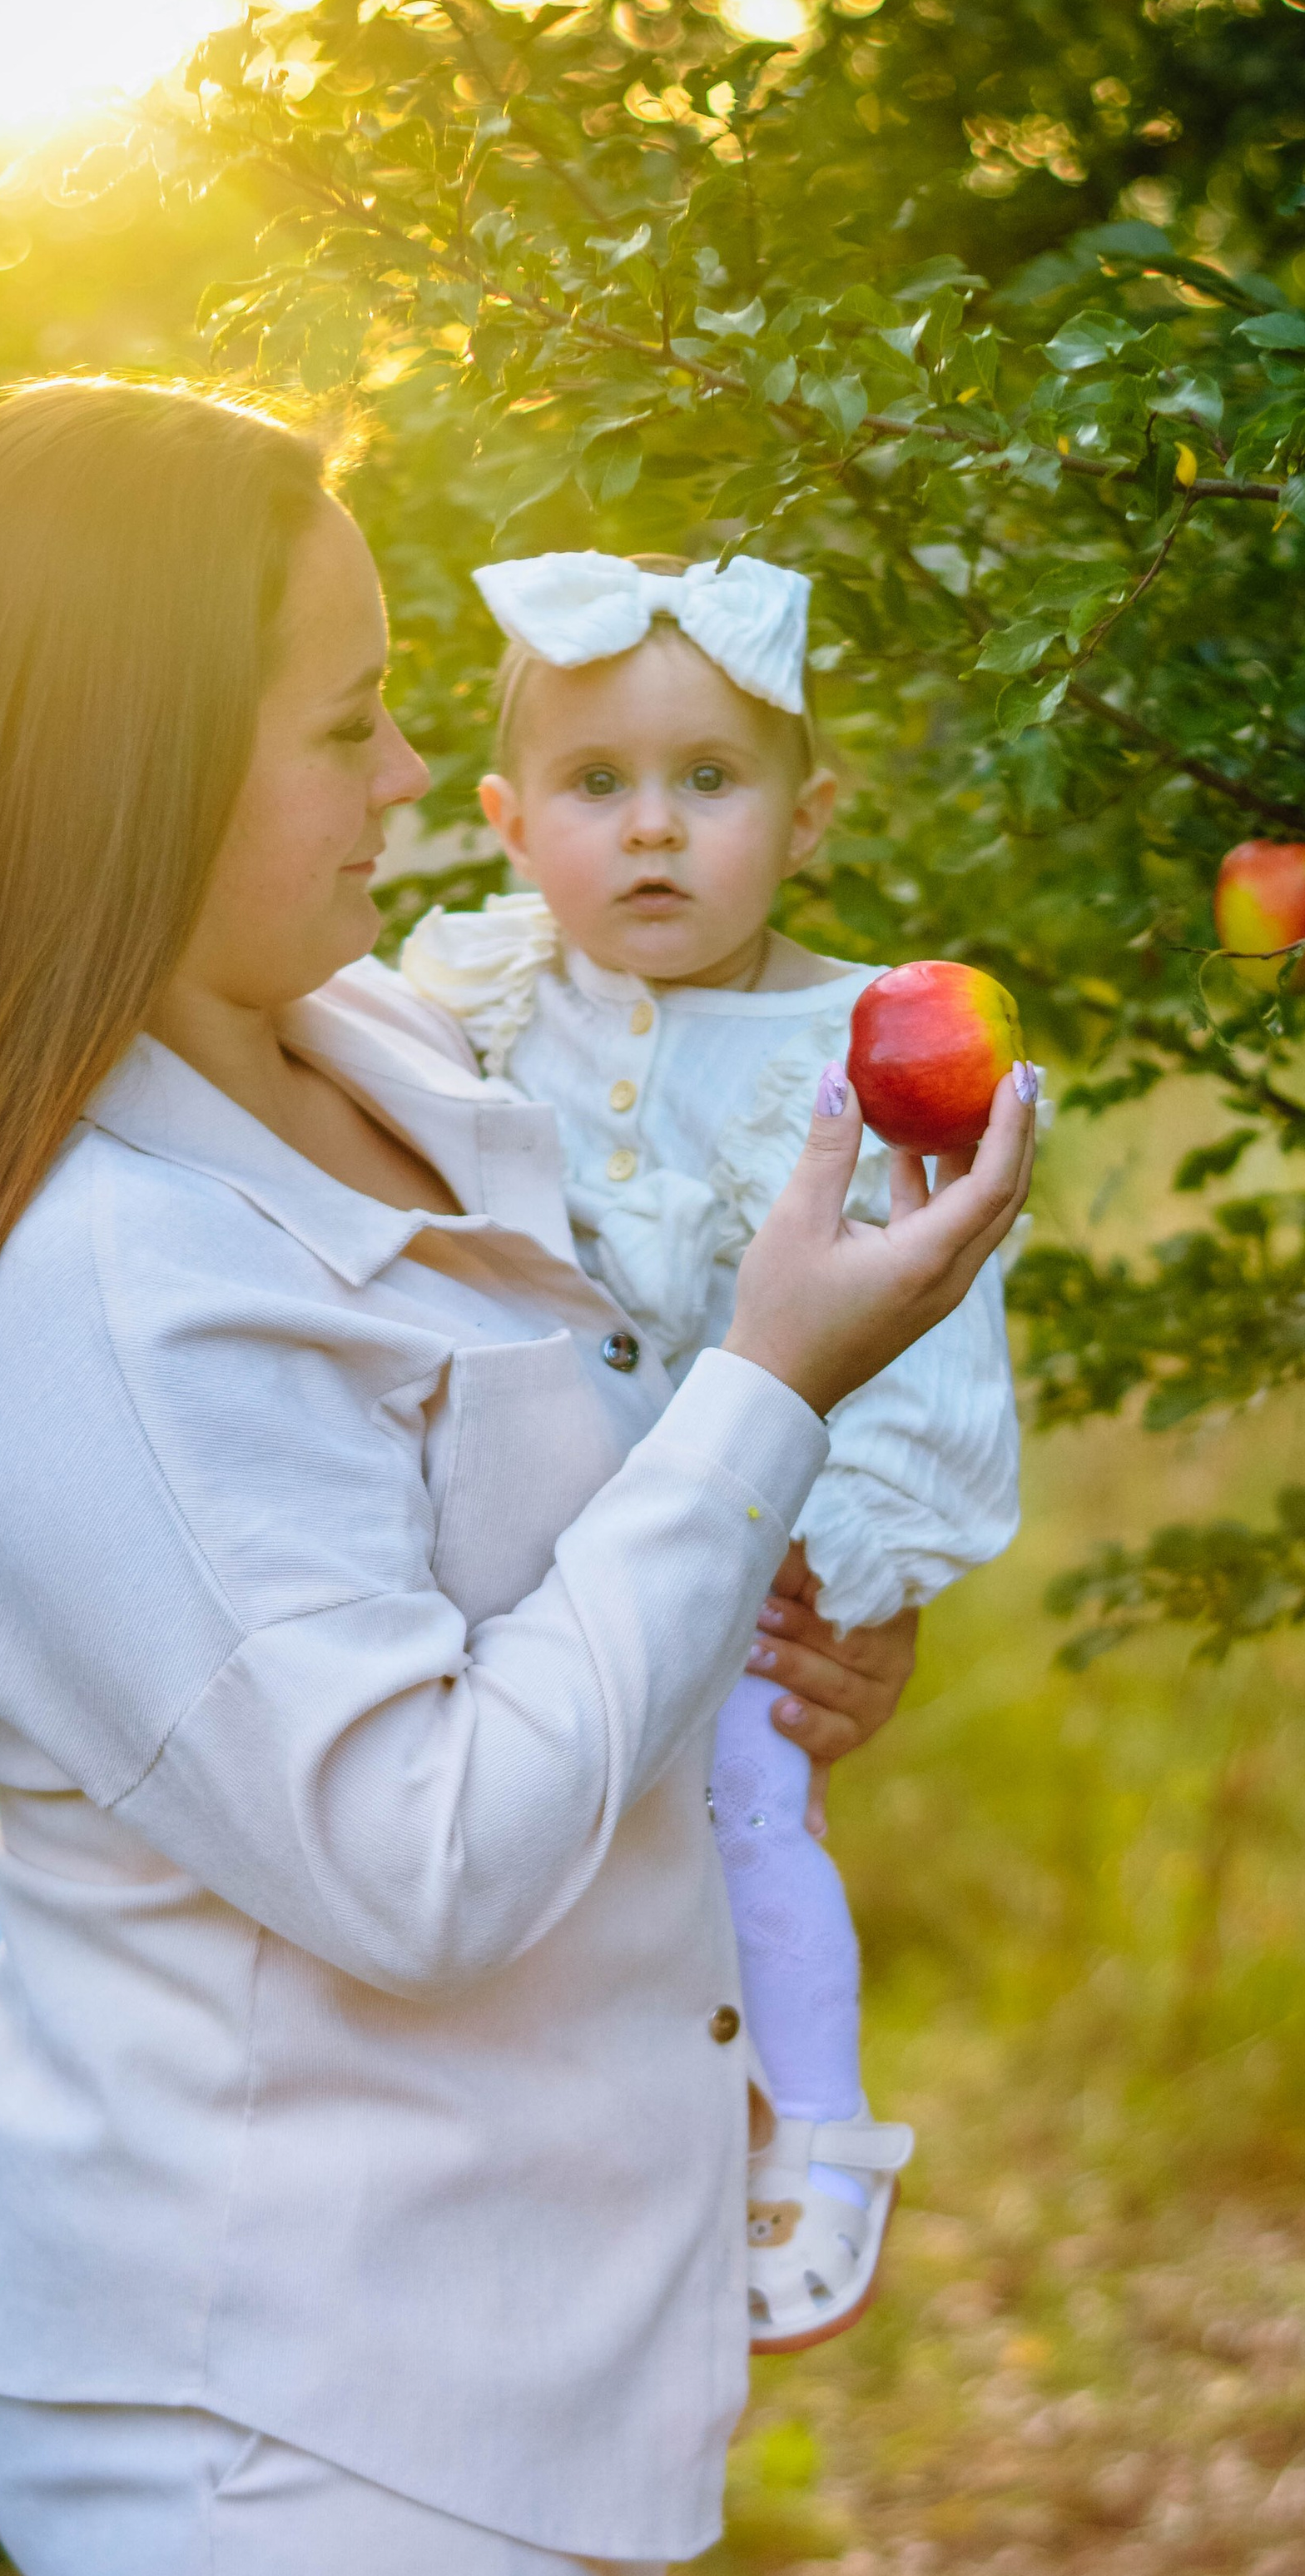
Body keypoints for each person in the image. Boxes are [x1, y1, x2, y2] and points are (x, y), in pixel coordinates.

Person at [0, 380, 1035, 2576]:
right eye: (348, 722)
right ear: (133, 768)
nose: (414, 782)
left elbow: (550, 1600)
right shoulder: (93, 1297)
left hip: (494, 2316)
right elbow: (424, 1851)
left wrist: (783, 1599)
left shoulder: (347, 1050)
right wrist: (760, 1395)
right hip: (316, 2401)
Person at [402, 548, 1029, 2352]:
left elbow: (920, 1307)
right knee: (553, 1858)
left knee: (750, 1807)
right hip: (521, 1552)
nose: (653, 832)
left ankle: (815, 2122)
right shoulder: (480, 1000)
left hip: (745, 1547)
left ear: (807, 812)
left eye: (708, 781)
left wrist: (857, 1558)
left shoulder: (853, 1048)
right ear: (511, 822)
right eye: (599, 787)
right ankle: (597, 2161)